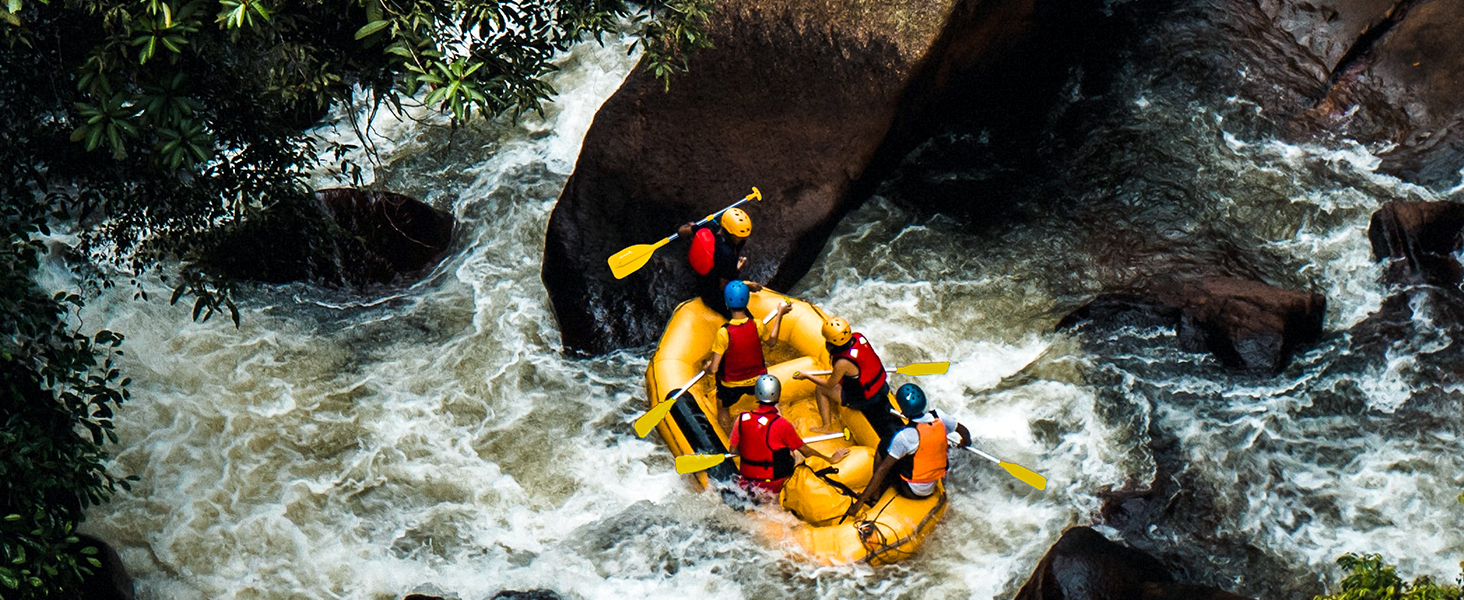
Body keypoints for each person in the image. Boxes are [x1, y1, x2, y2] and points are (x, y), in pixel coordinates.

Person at [843, 384, 971, 520]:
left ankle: (875, 495)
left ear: (903, 412)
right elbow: (963, 431)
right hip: (933, 483)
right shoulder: (940, 417)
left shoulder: (905, 437)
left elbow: (882, 470)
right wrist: (965, 443)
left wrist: (860, 502)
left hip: (912, 490)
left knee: (884, 445)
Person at [730, 374, 849, 496]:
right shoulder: (782, 424)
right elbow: (806, 452)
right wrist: (830, 459)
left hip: (748, 480)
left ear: (757, 393)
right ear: (778, 394)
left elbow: (733, 451)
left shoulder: (741, 419)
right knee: (793, 453)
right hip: (776, 484)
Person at [793, 316, 904, 445]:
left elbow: (829, 384)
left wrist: (807, 376)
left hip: (863, 400)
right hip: (881, 387)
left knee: (821, 389)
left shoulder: (842, 363)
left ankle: (826, 426)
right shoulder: (859, 337)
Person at [704, 280, 791, 431]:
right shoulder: (757, 325)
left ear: (726, 304)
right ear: (747, 302)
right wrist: (779, 315)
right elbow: (771, 342)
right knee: (773, 405)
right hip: (758, 380)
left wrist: (706, 368)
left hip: (731, 384)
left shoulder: (724, 333)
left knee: (723, 407)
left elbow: (714, 369)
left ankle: (726, 438)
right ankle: (782, 430)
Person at [679, 208, 758, 318]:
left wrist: (691, 226)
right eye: (739, 237)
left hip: (704, 274)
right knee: (747, 319)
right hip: (711, 293)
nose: (742, 239)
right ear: (731, 234)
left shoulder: (709, 226)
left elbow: (681, 231)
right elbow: (724, 287)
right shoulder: (727, 255)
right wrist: (747, 285)